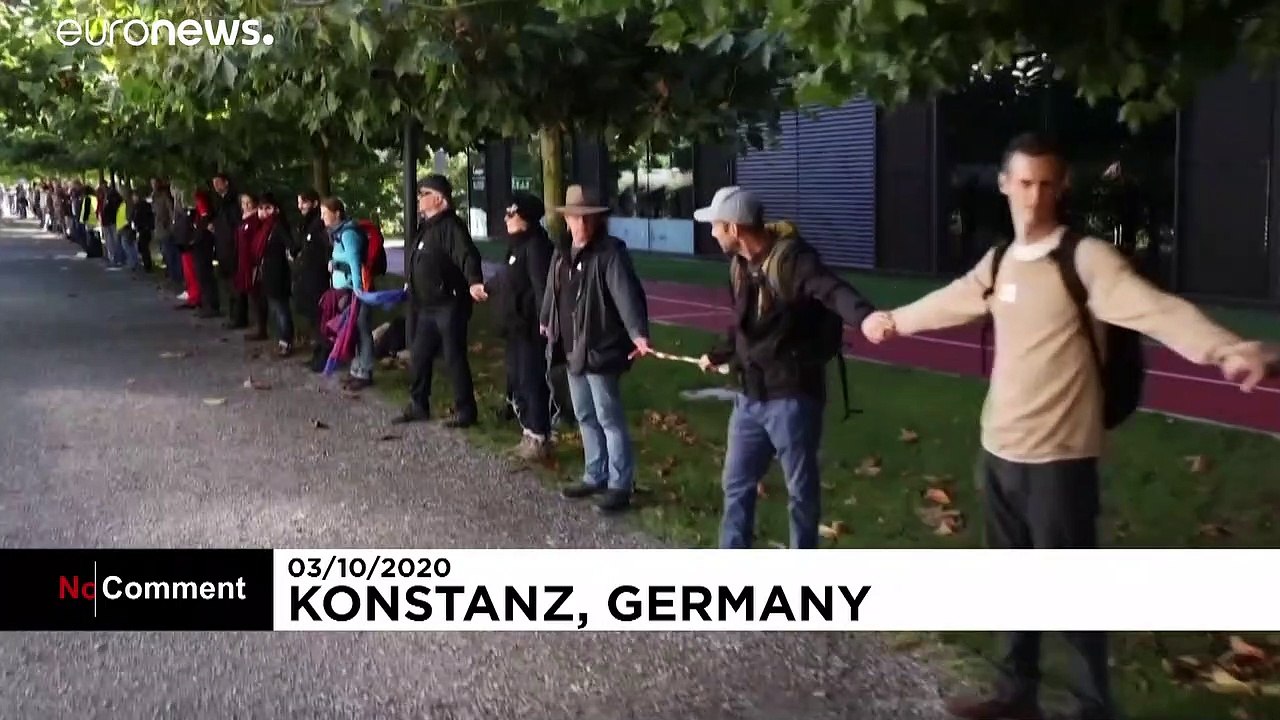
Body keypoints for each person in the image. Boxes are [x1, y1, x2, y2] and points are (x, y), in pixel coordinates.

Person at [863, 132, 1274, 720]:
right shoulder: (1001, 260)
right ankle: (1015, 694)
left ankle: (1091, 706)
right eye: (1024, 183)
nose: (1034, 197)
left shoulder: (1084, 259)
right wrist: (894, 321)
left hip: (1060, 457)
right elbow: (955, 299)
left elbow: (1158, 311)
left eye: (1046, 184)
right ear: (1005, 185)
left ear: (1062, 188)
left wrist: (1227, 348)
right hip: (1000, 448)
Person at [692, 186, 878, 549]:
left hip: (792, 397)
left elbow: (833, 290)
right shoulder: (739, 266)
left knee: (800, 493)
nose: (711, 232)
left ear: (733, 228)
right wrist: (719, 354)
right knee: (736, 484)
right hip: (751, 396)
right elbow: (744, 325)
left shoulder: (793, 262)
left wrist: (866, 317)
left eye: (715, 226)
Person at [539, 185, 652, 514]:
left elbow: (627, 296)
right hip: (570, 347)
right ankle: (595, 474)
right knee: (585, 415)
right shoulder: (561, 253)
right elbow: (552, 289)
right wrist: (547, 319)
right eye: (576, 219)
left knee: (609, 417)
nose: (582, 226)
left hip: (600, 347)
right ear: (567, 220)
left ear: (598, 221)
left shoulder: (610, 254)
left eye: (589, 220)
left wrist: (638, 333)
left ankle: (620, 484)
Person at [392, 174, 485, 427]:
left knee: (454, 357)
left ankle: (466, 410)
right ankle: (418, 404)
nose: (419, 199)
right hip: (427, 307)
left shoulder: (451, 227)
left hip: (449, 304)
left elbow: (467, 255)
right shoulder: (427, 227)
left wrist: (474, 281)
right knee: (420, 355)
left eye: (424, 194)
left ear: (439, 198)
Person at [488, 191, 556, 460]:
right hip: (515, 327)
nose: (505, 218)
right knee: (517, 379)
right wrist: (487, 288)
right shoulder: (516, 245)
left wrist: (544, 320)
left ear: (525, 217)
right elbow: (508, 277)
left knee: (531, 380)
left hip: (530, 328)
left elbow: (542, 288)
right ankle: (528, 432)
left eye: (511, 213)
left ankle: (539, 437)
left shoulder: (537, 246)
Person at [321, 197, 375, 389]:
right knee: (353, 330)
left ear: (337, 214)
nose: (322, 217)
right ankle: (356, 370)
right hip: (347, 290)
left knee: (362, 330)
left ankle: (365, 372)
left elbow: (354, 262)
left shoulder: (348, 234)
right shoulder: (337, 234)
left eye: (325, 213)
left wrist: (358, 290)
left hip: (354, 291)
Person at [254, 193, 295, 357]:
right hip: (268, 272)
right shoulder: (264, 228)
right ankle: (281, 338)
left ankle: (286, 340)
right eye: (261, 208)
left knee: (281, 308)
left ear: (275, 209)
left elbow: (290, 245)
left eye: (268, 208)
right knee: (275, 308)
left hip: (278, 273)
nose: (264, 212)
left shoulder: (277, 226)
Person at [291, 190, 331, 343]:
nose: (300, 207)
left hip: (317, 277)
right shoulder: (305, 225)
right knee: (313, 316)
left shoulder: (318, 225)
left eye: (304, 202)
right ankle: (318, 348)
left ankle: (323, 349)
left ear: (314, 203)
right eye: (299, 203)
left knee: (319, 315)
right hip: (307, 277)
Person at [209, 172, 241, 328]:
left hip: (231, 246)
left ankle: (238, 317)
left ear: (226, 183)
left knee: (235, 283)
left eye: (218, 183)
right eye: (214, 183)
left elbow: (234, 224)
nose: (216, 186)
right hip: (222, 245)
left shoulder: (232, 201)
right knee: (228, 283)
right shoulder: (220, 202)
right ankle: (233, 315)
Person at [232, 193, 265, 339]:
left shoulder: (256, 220)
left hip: (252, 262)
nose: (245, 205)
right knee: (250, 294)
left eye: (248, 202)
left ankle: (261, 328)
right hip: (242, 261)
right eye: (243, 202)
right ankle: (255, 324)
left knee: (257, 294)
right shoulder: (243, 220)